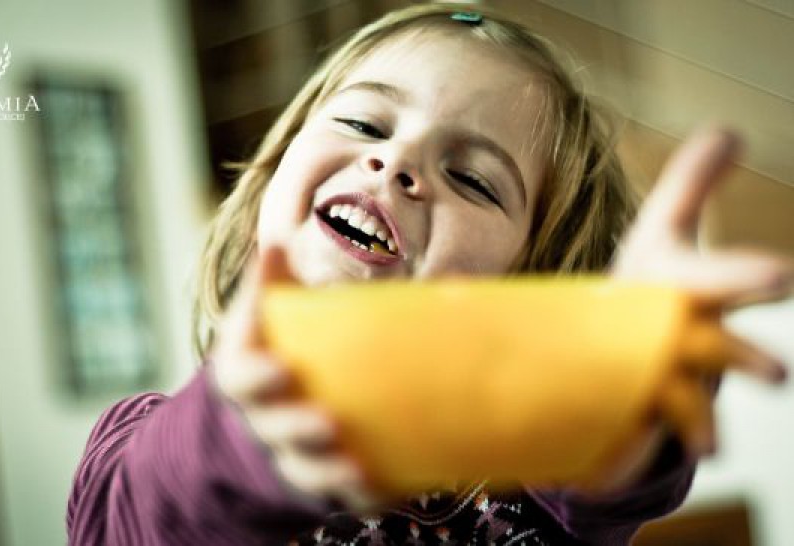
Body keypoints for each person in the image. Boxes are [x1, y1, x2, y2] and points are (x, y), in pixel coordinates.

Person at [66, 4, 791, 545]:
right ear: (270, 176)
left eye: (472, 179)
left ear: (534, 283)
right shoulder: (139, 449)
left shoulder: (533, 466)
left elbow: (607, 463)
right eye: (365, 125)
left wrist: (615, 380)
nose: (396, 161)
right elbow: (134, 522)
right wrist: (235, 443)